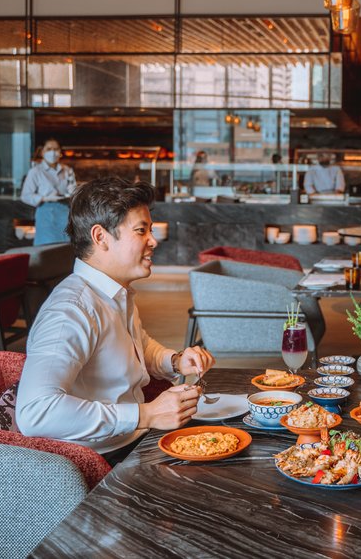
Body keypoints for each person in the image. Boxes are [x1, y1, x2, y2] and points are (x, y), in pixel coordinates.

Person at [16, 177, 215, 465]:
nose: (153, 240)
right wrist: (147, 414)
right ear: (101, 237)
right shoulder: (70, 311)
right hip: (101, 461)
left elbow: (138, 347)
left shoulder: (114, 292)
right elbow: (36, 412)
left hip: (132, 442)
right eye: (141, 231)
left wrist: (175, 361)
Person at [21, 138, 76, 245]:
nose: (53, 152)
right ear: (43, 152)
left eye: (56, 149)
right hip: (45, 215)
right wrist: (44, 198)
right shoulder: (35, 171)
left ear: (60, 152)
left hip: (65, 213)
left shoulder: (67, 170)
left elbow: (72, 188)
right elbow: (26, 195)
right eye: (49, 149)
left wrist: (71, 193)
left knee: (65, 250)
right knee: (45, 250)